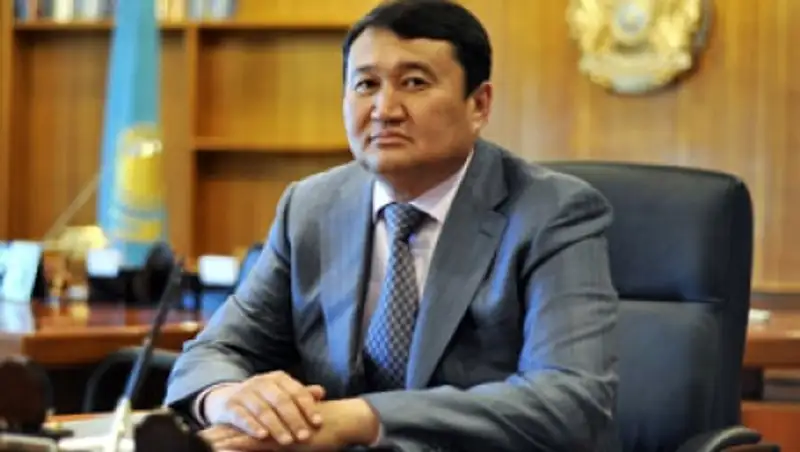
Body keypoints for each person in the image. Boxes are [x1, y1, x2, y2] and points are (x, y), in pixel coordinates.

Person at [164, 0, 620, 451]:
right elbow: (215, 351)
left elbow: (571, 401)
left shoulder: (552, 212)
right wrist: (230, 399)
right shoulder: (312, 207)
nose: (385, 109)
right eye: (366, 84)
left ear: (479, 105)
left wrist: (361, 418)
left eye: (414, 83)